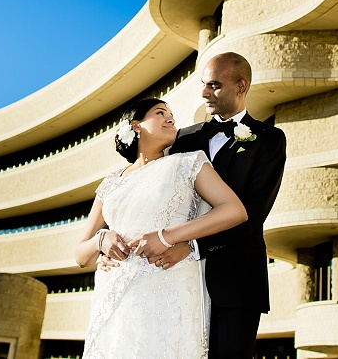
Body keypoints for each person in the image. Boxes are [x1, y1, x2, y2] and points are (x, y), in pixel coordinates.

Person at [139, 52, 287, 359]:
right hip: (177, 276)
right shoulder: (181, 139)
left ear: (241, 86)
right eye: (204, 84)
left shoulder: (269, 139)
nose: (205, 93)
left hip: (236, 280)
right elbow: (156, 196)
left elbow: (252, 214)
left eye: (215, 85)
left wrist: (191, 246)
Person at [75, 97, 247, 359]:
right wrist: (101, 240)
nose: (171, 119)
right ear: (135, 125)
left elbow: (234, 211)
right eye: (160, 113)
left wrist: (168, 237)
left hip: (168, 283)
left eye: (172, 115)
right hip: (114, 294)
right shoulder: (110, 183)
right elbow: (80, 255)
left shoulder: (188, 163)